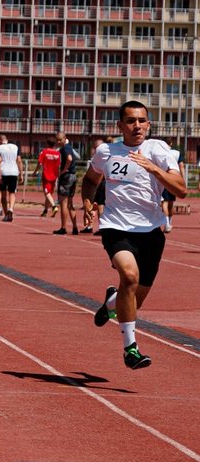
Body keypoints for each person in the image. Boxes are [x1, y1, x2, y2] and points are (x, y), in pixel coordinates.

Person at [82, 101, 187, 370]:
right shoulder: (106, 152)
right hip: (116, 226)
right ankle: (131, 349)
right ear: (120, 125)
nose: (136, 125)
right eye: (130, 121)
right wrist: (87, 202)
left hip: (151, 231)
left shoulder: (158, 150)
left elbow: (181, 189)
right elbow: (91, 179)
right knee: (129, 276)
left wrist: (153, 169)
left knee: (133, 299)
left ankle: (112, 302)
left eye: (141, 120)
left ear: (148, 124)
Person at [56, 130, 80, 234]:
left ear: (64, 138)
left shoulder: (65, 148)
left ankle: (63, 227)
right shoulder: (69, 147)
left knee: (63, 203)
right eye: (57, 140)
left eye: (60, 139)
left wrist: (64, 170)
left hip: (67, 176)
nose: (58, 142)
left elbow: (69, 159)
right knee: (70, 203)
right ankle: (74, 227)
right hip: (73, 175)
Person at [0, 133, 23, 222]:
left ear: (0, 140)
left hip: (3, 172)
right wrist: (21, 173)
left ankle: (6, 214)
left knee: (3, 195)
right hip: (14, 172)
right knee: (12, 193)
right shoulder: (15, 147)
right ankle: (11, 208)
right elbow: (19, 160)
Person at [37, 137, 62, 218]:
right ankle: (45, 210)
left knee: (47, 193)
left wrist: (35, 171)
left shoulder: (44, 152)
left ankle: (54, 206)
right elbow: (58, 166)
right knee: (49, 194)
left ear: (47, 143)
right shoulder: (57, 154)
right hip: (54, 175)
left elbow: (40, 163)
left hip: (46, 175)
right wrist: (58, 175)